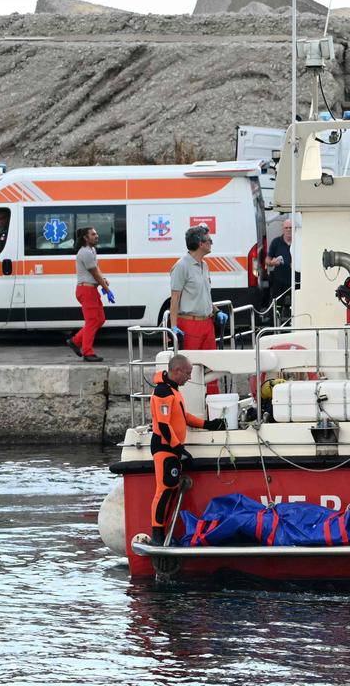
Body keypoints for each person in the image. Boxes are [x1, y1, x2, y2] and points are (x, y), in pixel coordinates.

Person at [149, 354, 226, 544]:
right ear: (177, 371)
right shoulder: (163, 393)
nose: (190, 378)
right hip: (165, 448)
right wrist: (178, 450)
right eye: (188, 373)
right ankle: (157, 534)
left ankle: (164, 532)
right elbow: (164, 425)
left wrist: (208, 424)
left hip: (171, 449)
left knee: (171, 490)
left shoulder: (173, 391)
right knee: (165, 490)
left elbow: (184, 417)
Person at [168, 225, 228, 392]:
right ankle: (191, 409)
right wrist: (174, 327)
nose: (211, 243)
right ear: (200, 243)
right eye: (209, 240)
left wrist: (216, 311)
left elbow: (204, 295)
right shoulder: (181, 266)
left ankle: (213, 408)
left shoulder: (204, 265)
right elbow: (175, 298)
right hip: (189, 324)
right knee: (189, 369)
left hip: (207, 323)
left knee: (212, 367)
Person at [68, 226, 112, 362]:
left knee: (100, 319)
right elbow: (94, 274)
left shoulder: (92, 250)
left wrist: (103, 280)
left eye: (96, 233)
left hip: (91, 290)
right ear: (85, 238)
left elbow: (97, 270)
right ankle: (87, 352)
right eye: (93, 234)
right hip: (86, 290)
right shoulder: (85, 253)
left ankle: (75, 341)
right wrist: (107, 289)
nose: (96, 236)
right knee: (92, 321)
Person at [266, 219, 299, 304]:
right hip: (279, 280)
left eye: (291, 228)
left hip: (296, 281)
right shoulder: (276, 242)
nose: (288, 230)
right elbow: (267, 260)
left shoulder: (299, 242)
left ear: (294, 229)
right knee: (276, 305)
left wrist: (298, 265)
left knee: (297, 305)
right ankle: (275, 317)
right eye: (286, 228)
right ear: (283, 229)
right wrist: (272, 263)